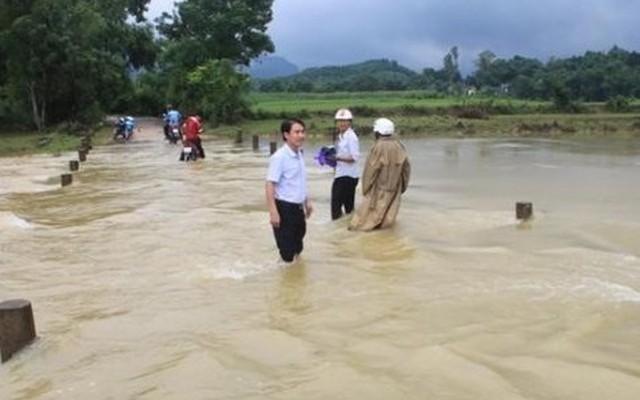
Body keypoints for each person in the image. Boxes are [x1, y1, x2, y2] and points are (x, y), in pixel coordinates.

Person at [349, 117, 410, 231]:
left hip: (378, 189)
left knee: (365, 221)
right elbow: (406, 170)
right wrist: (402, 187)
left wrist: (366, 189)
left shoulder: (378, 147)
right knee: (388, 221)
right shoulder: (399, 146)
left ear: (378, 132)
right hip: (395, 189)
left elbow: (370, 170)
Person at [265, 118, 314, 263]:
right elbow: (269, 184)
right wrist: (273, 212)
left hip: (298, 208)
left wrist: (307, 202)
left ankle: (296, 279)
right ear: (286, 135)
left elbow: (299, 181)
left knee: (298, 247)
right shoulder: (279, 157)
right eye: (296, 132)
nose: (301, 135)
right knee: (287, 253)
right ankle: (283, 277)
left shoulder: (299, 155)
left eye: (302, 132)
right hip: (284, 209)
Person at [331, 108, 360, 220]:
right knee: (349, 208)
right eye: (339, 121)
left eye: (345, 121)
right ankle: (349, 229)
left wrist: (337, 157)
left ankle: (337, 231)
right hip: (344, 174)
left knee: (335, 207)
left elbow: (354, 157)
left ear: (350, 122)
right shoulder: (341, 136)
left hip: (346, 176)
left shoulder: (351, 137)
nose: (342, 123)